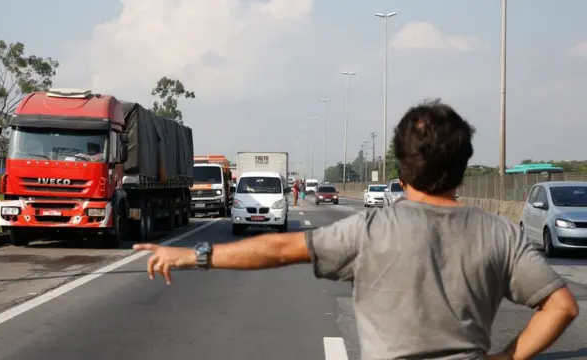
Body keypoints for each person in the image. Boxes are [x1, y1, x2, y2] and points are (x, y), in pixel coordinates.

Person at [134, 99, 578, 360]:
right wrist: (504, 358)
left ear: (400, 169)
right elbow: (561, 307)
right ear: (463, 167)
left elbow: (277, 249)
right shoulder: (500, 233)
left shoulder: (371, 229)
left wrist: (194, 255)